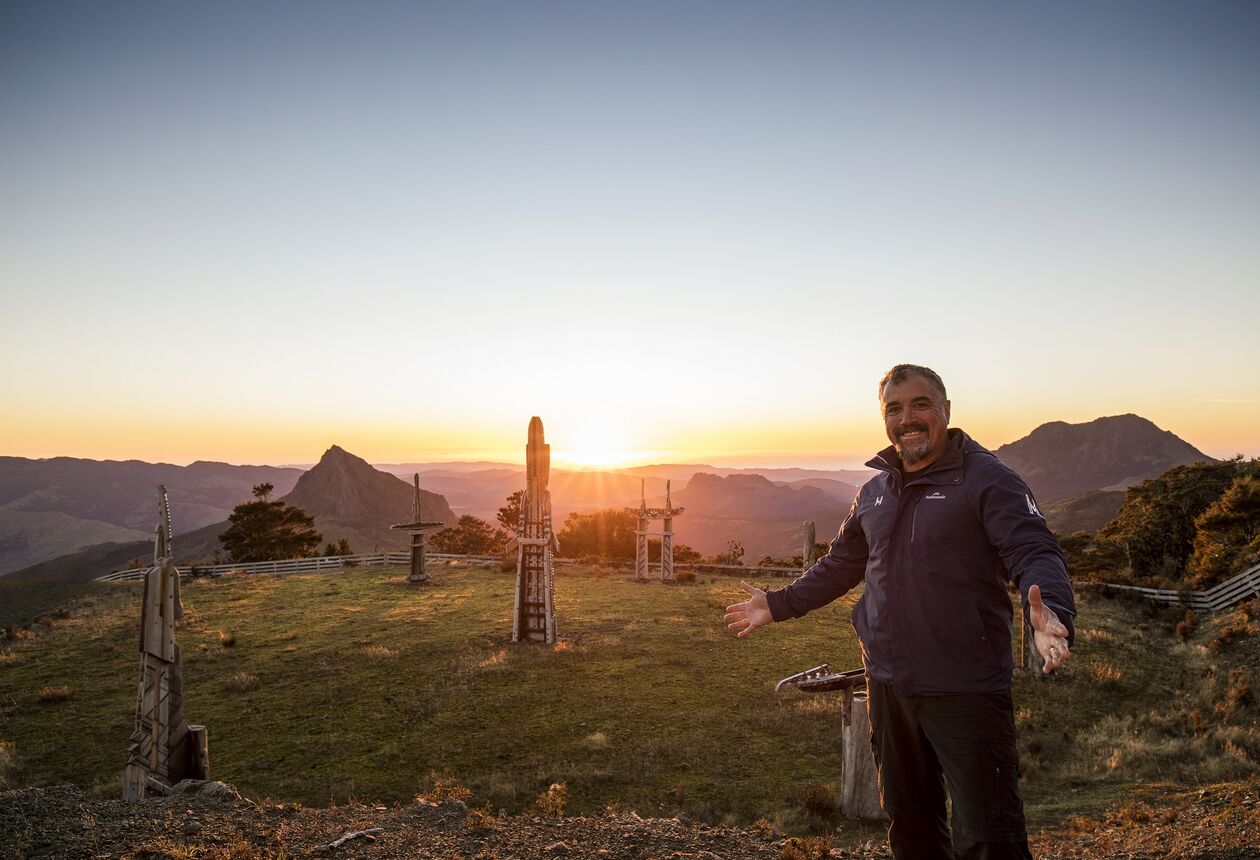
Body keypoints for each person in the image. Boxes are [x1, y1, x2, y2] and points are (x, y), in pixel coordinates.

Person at [724, 363, 1075, 860]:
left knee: (989, 837)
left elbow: (1033, 549)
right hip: (888, 685)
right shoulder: (876, 490)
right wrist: (778, 604)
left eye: (919, 405)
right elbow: (841, 564)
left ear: (946, 411)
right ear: (884, 418)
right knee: (911, 827)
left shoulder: (987, 479)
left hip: (966, 688)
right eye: (894, 408)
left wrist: (1050, 608)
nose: (906, 418)